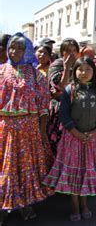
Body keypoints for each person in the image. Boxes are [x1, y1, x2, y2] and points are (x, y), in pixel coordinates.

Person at [43, 56, 96, 222]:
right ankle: (75, 206)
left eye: (88, 69)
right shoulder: (70, 90)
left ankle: (85, 205)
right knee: (74, 173)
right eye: (80, 69)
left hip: (93, 138)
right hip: (72, 139)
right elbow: (63, 114)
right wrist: (75, 132)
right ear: (74, 71)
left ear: (93, 71)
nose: (84, 73)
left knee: (86, 171)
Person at [0, 33, 53, 223]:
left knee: (24, 166)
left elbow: (43, 103)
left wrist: (42, 129)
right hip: (4, 127)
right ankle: (2, 204)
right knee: (5, 166)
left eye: (20, 48)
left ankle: (25, 203)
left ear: (27, 50)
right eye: (12, 47)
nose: (15, 51)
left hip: (28, 128)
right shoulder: (0, 71)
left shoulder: (35, 74)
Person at [47, 38, 80, 155]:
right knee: (59, 144)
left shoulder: (81, 66)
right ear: (62, 52)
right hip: (60, 110)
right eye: (67, 51)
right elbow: (60, 88)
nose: (71, 54)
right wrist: (67, 68)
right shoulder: (57, 65)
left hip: (78, 110)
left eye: (74, 50)